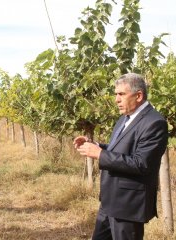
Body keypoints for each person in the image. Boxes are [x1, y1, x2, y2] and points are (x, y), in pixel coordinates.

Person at [73, 73, 168, 240]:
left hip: (128, 205)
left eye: (121, 94)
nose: (116, 99)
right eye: (116, 94)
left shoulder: (154, 123)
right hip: (110, 201)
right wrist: (96, 145)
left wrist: (100, 154)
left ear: (138, 96)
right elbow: (121, 150)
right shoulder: (125, 118)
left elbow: (141, 164)